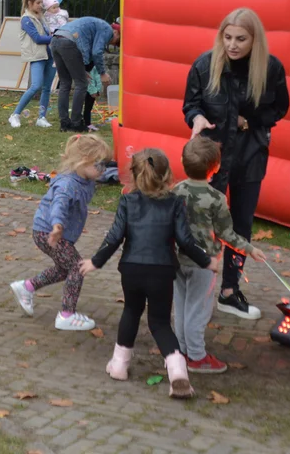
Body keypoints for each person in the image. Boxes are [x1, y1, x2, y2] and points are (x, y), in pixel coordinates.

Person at [79, 149, 219, 399]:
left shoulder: (127, 201)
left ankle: (119, 365)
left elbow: (114, 237)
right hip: (162, 270)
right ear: (167, 177)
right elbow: (186, 241)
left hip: (132, 268)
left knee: (131, 312)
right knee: (160, 323)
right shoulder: (175, 203)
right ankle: (178, 373)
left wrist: (96, 261)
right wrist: (206, 261)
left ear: (134, 176)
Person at [182, 7, 289, 320]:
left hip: (250, 154)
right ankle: (194, 287)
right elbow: (191, 104)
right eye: (227, 37)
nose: (232, 44)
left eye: (241, 39)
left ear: (255, 39)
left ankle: (230, 292)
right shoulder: (205, 64)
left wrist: (249, 120)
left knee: (241, 224)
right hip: (211, 154)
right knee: (201, 222)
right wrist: (197, 117)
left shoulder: (271, 68)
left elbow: (280, 108)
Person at [173, 136, 267, 374]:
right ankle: (196, 356)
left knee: (183, 306)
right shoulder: (216, 199)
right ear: (215, 168)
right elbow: (226, 233)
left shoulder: (176, 191)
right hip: (203, 264)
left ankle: (182, 350)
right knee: (198, 310)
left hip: (177, 260)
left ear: (183, 162)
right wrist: (249, 249)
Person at [8, 133, 111, 332]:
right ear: (82, 162)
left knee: (65, 269)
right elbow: (59, 205)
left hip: (53, 232)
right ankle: (66, 314)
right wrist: (57, 226)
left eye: (105, 164)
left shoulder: (85, 178)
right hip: (50, 232)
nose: (103, 169)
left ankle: (27, 287)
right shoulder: (67, 184)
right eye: (99, 164)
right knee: (77, 267)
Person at [50, 16, 119, 132]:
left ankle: (64, 123)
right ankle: (76, 123)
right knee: (81, 84)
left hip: (56, 40)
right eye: (117, 42)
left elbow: (86, 44)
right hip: (69, 42)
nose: (114, 44)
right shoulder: (107, 29)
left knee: (65, 84)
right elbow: (96, 52)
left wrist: (83, 68)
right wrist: (102, 73)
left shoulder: (97, 24)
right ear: (116, 32)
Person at [9, 0, 55, 129]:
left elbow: (47, 33)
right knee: (36, 86)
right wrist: (56, 38)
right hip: (37, 56)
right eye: (38, 3)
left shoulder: (41, 17)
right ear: (30, 3)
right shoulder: (26, 19)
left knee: (47, 88)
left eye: (42, 2)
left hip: (50, 56)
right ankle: (15, 114)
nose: (41, 5)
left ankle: (42, 117)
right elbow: (37, 38)